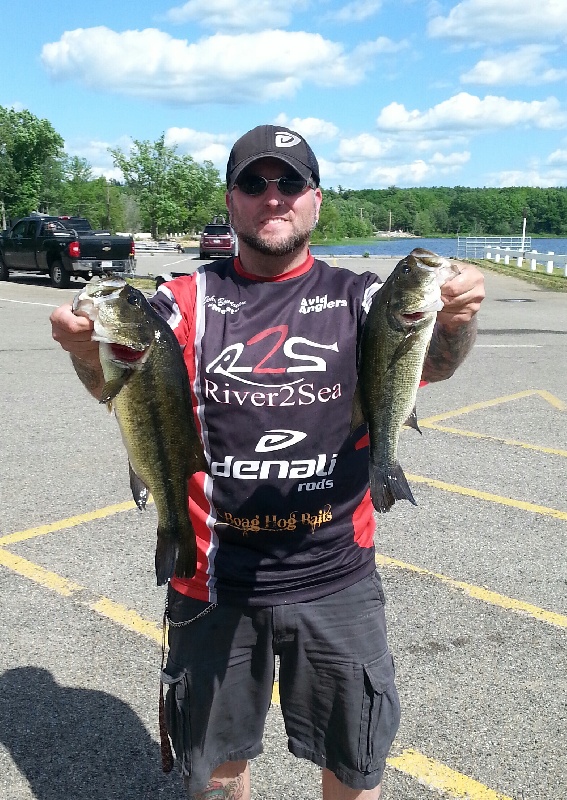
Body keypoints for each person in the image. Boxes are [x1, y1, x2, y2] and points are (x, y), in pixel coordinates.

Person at [50, 125, 485, 800]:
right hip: (214, 584)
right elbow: (127, 390)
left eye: (290, 183)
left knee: (353, 764)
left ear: (315, 201)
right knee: (216, 771)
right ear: (231, 201)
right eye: (254, 183)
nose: (272, 197)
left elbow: (433, 363)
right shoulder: (181, 301)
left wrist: (453, 320)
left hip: (336, 577)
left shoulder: (361, 297)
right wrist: (86, 350)